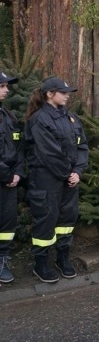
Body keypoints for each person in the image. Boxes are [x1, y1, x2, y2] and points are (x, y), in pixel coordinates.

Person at [24, 77, 88, 283]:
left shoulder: (71, 118)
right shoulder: (39, 119)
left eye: (68, 92)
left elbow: (82, 146)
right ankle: (40, 264)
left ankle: (63, 259)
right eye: (63, 92)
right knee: (46, 220)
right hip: (46, 180)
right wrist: (68, 173)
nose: (67, 95)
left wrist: (77, 171)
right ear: (49, 94)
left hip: (69, 179)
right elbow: (49, 153)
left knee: (66, 221)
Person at [0, 72, 23, 284]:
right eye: (2, 86)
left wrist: (18, 172)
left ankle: (2, 259)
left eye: (6, 86)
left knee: (7, 223)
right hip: (4, 178)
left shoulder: (8, 115)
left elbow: (18, 148)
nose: (6, 90)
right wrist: (7, 174)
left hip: (9, 181)